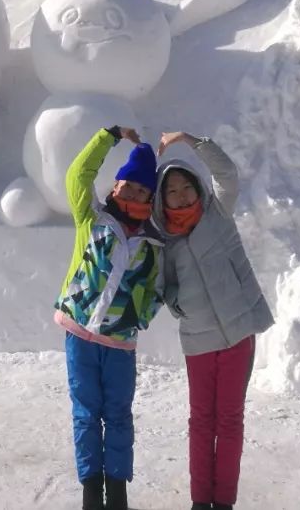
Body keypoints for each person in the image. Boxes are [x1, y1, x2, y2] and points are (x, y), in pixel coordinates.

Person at [151, 130, 273, 510]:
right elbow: (161, 285)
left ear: (197, 187)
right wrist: (177, 302)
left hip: (238, 333)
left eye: (186, 186)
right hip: (198, 340)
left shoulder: (218, 213)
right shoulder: (165, 241)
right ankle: (200, 501)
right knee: (202, 421)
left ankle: (224, 503)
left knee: (230, 420)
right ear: (162, 198)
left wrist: (190, 140)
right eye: (172, 191)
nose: (181, 195)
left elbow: (228, 174)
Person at [54, 126, 164, 510]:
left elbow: (160, 288)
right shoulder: (92, 219)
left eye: (142, 190)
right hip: (79, 335)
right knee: (85, 414)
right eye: (128, 185)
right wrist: (109, 136)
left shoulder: (153, 244)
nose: (133, 193)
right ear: (116, 186)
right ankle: (90, 493)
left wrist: (141, 315)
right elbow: (77, 175)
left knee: (118, 415)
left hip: (119, 344)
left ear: (150, 198)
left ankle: (117, 493)